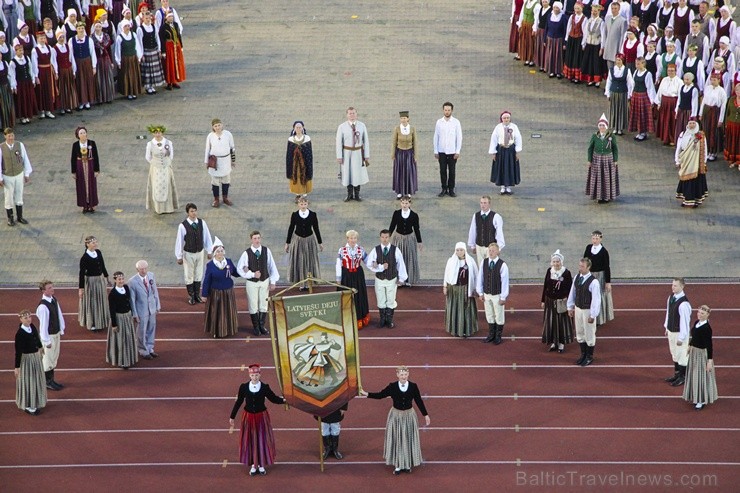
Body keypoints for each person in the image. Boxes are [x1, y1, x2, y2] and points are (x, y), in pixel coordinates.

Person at [360, 366, 430, 475]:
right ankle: (398, 465)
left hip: (409, 416)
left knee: (407, 439)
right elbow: (381, 395)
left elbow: (418, 401)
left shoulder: (413, 386)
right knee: (397, 439)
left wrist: (425, 414)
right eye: (401, 374)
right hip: (395, 416)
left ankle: (406, 464)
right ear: (397, 375)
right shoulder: (392, 386)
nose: (404, 376)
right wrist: (367, 394)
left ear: (408, 374)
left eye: (405, 374)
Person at [229, 364, 285, 476]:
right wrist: (232, 416)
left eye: (256, 375)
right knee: (250, 441)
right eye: (253, 375)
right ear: (249, 375)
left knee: (262, 440)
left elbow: (273, 399)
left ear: (260, 375)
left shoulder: (265, 387)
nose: (254, 377)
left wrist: (285, 400)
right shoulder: (243, 387)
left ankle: (261, 464)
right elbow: (239, 401)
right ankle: (254, 465)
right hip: (248, 417)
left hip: (261, 417)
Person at [237, 230, 279, 336]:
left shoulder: (266, 251)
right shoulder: (246, 253)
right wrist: (251, 274)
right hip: (252, 283)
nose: (257, 240)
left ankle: (261, 326)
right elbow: (240, 268)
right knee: (253, 305)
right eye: (255, 238)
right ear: (251, 239)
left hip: (264, 281)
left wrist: (273, 281)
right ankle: (256, 327)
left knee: (263, 305)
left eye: (258, 238)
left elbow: (272, 266)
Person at [366, 229, 408, 328]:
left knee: (391, 299)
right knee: (380, 299)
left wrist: (402, 279)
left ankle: (389, 320)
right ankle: (382, 319)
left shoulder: (396, 250)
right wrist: (378, 267)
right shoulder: (375, 250)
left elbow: (401, 264)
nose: (384, 239)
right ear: (380, 238)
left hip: (391, 279)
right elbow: (369, 264)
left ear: (389, 238)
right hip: (379, 279)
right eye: (383, 237)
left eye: (386, 237)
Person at [175, 203, 213, 305]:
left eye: (195, 210)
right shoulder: (183, 226)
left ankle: (197, 294)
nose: (194, 213)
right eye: (191, 211)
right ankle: (191, 296)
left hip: (200, 252)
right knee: (189, 274)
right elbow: (180, 241)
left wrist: (209, 251)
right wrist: (179, 256)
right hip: (188, 253)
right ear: (188, 213)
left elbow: (207, 236)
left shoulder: (202, 223)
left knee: (199, 273)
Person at [566, 257, 601, 366]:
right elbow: (572, 292)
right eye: (579, 266)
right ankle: (583, 354)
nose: (580, 268)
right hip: (578, 308)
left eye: (582, 266)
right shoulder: (577, 277)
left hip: (587, 310)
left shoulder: (593, 282)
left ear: (588, 267)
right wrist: (570, 307)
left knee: (589, 333)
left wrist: (593, 314)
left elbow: (596, 299)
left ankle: (589, 356)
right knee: (580, 332)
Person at [202, 238, 240, 338]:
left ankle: (228, 329)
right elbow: (207, 280)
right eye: (218, 251)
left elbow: (235, 272)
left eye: (221, 251)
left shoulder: (228, 262)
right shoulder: (210, 265)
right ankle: (216, 331)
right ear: (214, 254)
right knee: (216, 313)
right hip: (215, 293)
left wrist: (245, 271)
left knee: (227, 312)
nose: (220, 253)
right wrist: (204, 294)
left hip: (228, 292)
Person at [683, 305, 718, 410]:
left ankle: (701, 400)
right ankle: (695, 396)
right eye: (698, 312)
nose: (699, 314)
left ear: (707, 315)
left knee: (700, 376)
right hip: (694, 352)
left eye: (702, 313)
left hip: (701, 354)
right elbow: (694, 336)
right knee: (694, 375)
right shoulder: (696, 323)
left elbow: (709, 345)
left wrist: (709, 361)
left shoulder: (707, 328)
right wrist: (690, 345)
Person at [442, 242, 479, 338]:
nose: (459, 252)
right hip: (454, 290)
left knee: (466, 309)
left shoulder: (470, 261)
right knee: (454, 309)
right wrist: (445, 286)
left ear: (465, 250)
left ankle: (466, 330)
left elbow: (476, 275)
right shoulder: (451, 261)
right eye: (457, 250)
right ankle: (454, 329)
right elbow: (446, 274)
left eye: (461, 250)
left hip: (465, 290)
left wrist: (476, 289)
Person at [284, 196, 322, 288]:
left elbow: (316, 228)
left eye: (305, 204)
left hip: (309, 240)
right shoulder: (295, 215)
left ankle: (309, 282)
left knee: (309, 260)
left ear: (308, 204)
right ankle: (301, 283)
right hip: (298, 240)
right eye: (301, 204)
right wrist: (287, 243)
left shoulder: (313, 215)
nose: (303, 206)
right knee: (300, 260)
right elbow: (291, 228)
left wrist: (320, 242)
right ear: (298, 204)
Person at [14, 309, 47, 416]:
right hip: (27, 360)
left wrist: (41, 347)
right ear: (21, 319)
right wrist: (17, 367)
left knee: (36, 379)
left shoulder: (31, 326)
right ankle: (28, 405)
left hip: (35, 357)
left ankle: (35, 402)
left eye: (29, 317)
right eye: (25, 318)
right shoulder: (20, 334)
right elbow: (18, 351)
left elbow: (36, 337)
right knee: (29, 381)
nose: (28, 319)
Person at [476, 242, 509, 345]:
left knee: (498, 315)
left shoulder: (502, 265)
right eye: (489, 250)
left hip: (497, 294)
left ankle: (498, 336)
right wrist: (480, 292)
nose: (491, 252)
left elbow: (505, 282)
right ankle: (491, 334)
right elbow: (480, 277)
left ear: (498, 251)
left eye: (493, 250)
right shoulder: (484, 262)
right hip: (486, 294)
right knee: (489, 314)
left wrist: (503, 296)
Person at [541, 250, 574, 353]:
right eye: (554, 261)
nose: (556, 263)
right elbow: (545, 286)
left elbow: (570, 289)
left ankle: (561, 344)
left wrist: (569, 302)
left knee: (561, 322)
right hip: (550, 301)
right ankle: (554, 342)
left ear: (561, 262)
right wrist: (543, 300)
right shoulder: (549, 271)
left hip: (561, 302)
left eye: (557, 261)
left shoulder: (566, 273)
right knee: (551, 322)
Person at [336, 229, 370, 329]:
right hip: (346, 275)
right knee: (347, 296)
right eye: (351, 238)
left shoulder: (361, 249)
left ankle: (359, 318)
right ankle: (347, 319)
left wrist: (378, 267)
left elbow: (368, 261)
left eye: (355, 238)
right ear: (347, 239)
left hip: (358, 276)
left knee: (359, 296)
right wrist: (338, 278)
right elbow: (338, 264)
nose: (353, 240)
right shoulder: (341, 250)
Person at [35, 280, 65, 390]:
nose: (52, 289)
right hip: (49, 336)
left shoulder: (53, 300)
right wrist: (46, 341)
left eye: (52, 287)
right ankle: (47, 381)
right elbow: (43, 326)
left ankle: (51, 380)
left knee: (53, 358)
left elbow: (59, 315)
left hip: (55, 333)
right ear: (43, 291)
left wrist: (61, 329)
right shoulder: (43, 306)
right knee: (47, 359)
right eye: (49, 288)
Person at [336, 106, 370, 202]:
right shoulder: (342, 127)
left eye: (354, 113)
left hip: (358, 153)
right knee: (348, 173)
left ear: (356, 114)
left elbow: (366, 141)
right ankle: (349, 194)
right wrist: (339, 156)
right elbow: (339, 142)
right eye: (350, 113)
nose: (352, 115)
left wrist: (366, 155)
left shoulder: (362, 126)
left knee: (357, 173)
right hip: (347, 153)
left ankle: (357, 194)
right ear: (347, 115)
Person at [128, 259, 160, 359]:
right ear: (137, 269)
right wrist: (135, 314)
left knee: (151, 328)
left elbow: (155, 291)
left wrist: (157, 305)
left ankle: (150, 348)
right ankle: (143, 350)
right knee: (141, 331)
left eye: (145, 268)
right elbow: (132, 299)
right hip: (141, 310)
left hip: (152, 308)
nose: (144, 271)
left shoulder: (151, 275)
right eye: (142, 269)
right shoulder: (132, 282)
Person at [78, 235, 110, 332]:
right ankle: (92, 322)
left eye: (96, 242)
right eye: (93, 242)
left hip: (99, 280)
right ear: (87, 244)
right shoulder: (84, 258)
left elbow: (103, 265)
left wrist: (106, 276)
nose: (95, 244)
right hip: (91, 282)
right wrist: (81, 289)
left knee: (101, 300)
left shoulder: (98, 252)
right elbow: (81, 274)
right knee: (93, 302)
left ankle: (101, 320)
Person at [1, 127, 32, 226]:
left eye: (12, 135)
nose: (11, 138)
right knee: (8, 196)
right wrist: (0, 178)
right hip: (8, 175)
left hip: (19, 173)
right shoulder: (1, 148)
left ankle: (20, 216)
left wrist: (26, 173)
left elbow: (25, 158)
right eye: (9, 136)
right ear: (5, 136)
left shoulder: (20, 145)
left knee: (19, 194)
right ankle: (10, 218)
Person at [582, 230, 615, 326]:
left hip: (600, 276)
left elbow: (607, 267)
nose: (595, 240)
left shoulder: (604, 252)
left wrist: (608, 282)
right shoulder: (588, 248)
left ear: (601, 239)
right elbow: (585, 261)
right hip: (590, 275)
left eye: (597, 238)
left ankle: (599, 318)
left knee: (598, 296)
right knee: (589, 295)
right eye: (593, 238)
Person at [388, 196, 422, 286]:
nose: (404, 205)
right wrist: (388, 236)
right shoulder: (396, 213)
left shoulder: (414, 215)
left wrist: (419, 242)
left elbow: (416, 229)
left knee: (409, 257)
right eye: (403, 203)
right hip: (398, 238)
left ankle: (409, 279)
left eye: (406, 203)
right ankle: (399, 279)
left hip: (409, 239)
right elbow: (392, 225)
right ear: (400, 203)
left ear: (410, 204)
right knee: (398, 258)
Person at [107, 271, 138, 369]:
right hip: (119, 318)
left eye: (122, 279)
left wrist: (133, 315)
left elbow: (130, 302)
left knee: (128, 338)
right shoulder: (112, 294)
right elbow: (112, 310)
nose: (121, 281)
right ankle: (122, 361)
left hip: (127, 317)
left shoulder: (126, 288)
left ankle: (129, 358)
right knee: (121, 340)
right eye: (119, 279)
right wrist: (114, 324)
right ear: (115, 280)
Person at [663, 278, 691, 386]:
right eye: (672, 285)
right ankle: (677, 374)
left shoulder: (683, 304)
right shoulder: (671, 298)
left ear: (682, 286)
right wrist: (666, 327)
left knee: (682, 355)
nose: (673, 287)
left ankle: (683, 377)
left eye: (675, 285)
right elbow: (668, 314)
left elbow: (685, 322)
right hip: (671, 331)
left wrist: (681, 338)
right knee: (674, 353)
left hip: (679, 333)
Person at [586, 114, 620, 203]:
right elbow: (590, 148)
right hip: (597, 159)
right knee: (598, 178)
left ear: (606, 126)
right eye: (600, 125)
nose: (601, 127)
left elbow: (615, 148)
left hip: (607, 159)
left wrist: (615, 160)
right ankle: (599, 196)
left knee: (607, 178)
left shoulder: (611, 136)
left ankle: (606, 197)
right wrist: (589, 160)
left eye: (603, 125)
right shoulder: (594, 136)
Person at [674, 118, 708, 207]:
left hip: (696, 163)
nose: (691, 125)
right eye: (690, 123)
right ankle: (686, 200)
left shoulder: (701, 136)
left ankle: (695, 201)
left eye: (693, 123)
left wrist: (704, 162)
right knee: (685, 180)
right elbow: (679, 148)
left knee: (694, 182)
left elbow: (704, 149)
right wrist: (677, 160)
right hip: (686, 161)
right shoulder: (683, 134)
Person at [145, 124, 178, 214]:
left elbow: (171, 155)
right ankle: (158, 208)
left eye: (159, 132)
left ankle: (168, 208)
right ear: (153, 134)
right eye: (155, 133)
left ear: (162, 132)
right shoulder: (150, 144)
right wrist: (155, 163)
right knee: (156, 186)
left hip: (166, 168)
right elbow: (148, 157)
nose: (158, 134)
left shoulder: (168, 142)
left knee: (166, 185)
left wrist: (166, 163)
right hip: (155, 168)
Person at [204, 118, 236, 207]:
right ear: (213, 127)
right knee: (215, 181)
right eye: (215, 126)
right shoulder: (210, 136)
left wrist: (233, 160)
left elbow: (232, 148)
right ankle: (216, 199)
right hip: (215, 161)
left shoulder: (228, 134)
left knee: (226, 180)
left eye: (219, 125)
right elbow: (207, 149)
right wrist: (206, 161)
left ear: (222, 125)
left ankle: (225, 198)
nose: (217, 127)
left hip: (225, 160)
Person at [489, 110, 522, 195]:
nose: (506, 119)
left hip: (510, 150)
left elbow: (518, 138)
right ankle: (503, 186)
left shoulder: (514, 127)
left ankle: (509, 186)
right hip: (501, 150)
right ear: (501, 119)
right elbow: (494, 139)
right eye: (504, 118)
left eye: (507, 118)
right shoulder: (498, 127)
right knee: (501, 168)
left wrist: (517, 151)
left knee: (510, 167)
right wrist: (493, 152)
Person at [433, 101, 462, 197]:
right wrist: (435, 150)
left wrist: (457, 151)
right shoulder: (439, 122)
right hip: (441, 151)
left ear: (452, 110)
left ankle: (451, 189)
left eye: (449, 110)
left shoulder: (456, 122)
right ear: (443, 110)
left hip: (452, 151)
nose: (447, 112)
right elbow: (436, 136)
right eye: (445, 110)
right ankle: (444, 188)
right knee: (442, 171)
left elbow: (459, 137)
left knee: (452, 171)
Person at [467, 195, 506, 266]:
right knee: (480, 266)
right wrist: (472, 245)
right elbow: (473, 230)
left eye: (485, 203)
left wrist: (499, 248)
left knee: (490, 267)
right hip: (479, 246)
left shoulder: (496, 217)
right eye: (481, 203)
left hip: (490, 247)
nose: (483, 205)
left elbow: (499, 233)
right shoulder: (476, 215)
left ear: (489, 204)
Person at [70, 126, 100, 213]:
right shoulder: (75, 145)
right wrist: (73, 172)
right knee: (81, 185)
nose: (83, 134)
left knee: (91, 185)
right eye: (81, 133)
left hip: (90, 165)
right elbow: (73, 158)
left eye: (84, 132)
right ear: (78, 135)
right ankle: (84, 205)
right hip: (80, 167)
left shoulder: (91, 143)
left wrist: (96, 170)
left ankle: (92, 205)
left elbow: (96, 156)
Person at [68, 20, 97, 110]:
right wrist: (73, 67)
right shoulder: (71, 40)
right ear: (76, 29)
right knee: (79, 82)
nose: (81, 30)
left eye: (82, 28)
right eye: (79, 28)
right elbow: (71, 55)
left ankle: (87, 101)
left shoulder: (89, 40)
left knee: (87, 81)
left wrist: (94, 66)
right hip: (77, 63)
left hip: (87, 62)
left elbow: (93, 53)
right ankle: (80, 101)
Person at [699, 73, 727, 161]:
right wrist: (700, 113)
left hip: (715, 112)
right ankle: (706, 151)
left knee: (713, 132)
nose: (713, 81)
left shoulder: (722, 91)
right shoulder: (707, 88)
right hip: (707, 111)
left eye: (715, 80)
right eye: (712, 79)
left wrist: (721, 120)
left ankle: (713, 152)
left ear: (719, 80)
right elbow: (703, 101)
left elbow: (723, 106)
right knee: (706, 130)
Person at [390, 110, 418, 198]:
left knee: (409, 171)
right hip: (400, 153)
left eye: (405, 118)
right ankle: (399, 191)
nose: (403, 120)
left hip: (409, 153)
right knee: (400, 172)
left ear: (408, 119)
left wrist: (416, 155)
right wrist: (393, 154)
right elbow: (394, 142)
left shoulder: (412, 128)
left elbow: (415, 142)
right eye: (401, 118)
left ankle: (408, 191)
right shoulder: (397, 129)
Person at [628, 56, 657, 140]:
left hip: (643, 96)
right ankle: (639, 132)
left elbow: (650, 87)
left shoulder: (648, 74)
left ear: (643, 64)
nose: (636, 65)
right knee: (636, 114)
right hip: (636, 96)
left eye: (638, 64)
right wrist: (631, 94)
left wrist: (651, 100)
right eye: (636, 63)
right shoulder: (636, 72)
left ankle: (643, 133)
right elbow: (633, 84)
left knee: (642, 115)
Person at [136, 10, 164, 94]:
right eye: (146, 18)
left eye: (149, 18)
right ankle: (148, 87)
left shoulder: (153, 27)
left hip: (154, 50)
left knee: (154, 70)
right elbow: (139, 42)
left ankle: (152, 86)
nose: (148, 19)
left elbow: (157, 38)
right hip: (146, 51)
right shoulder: (140, 29)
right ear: (143, 19)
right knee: (147, 70)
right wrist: (141, 54)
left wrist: (159, 50)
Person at [9, 42, 37, 124]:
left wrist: (32, 80)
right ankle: (22, 117)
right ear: (16, 51)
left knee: (28, 98)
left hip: (27, 82)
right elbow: (12, 75)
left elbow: (30, 69)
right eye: (19, 51)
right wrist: (14, 86)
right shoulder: (13, 62)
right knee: (21, 100)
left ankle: (27, 115)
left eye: (22, 50)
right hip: (20, 83)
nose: (21, 52)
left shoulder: (26, 58)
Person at [114, 19, 142, 99]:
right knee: (127, 76)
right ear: (122, 28)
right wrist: (118, 61)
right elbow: (118, 50)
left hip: (133, 58)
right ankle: (128, 92)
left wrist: (139, 57)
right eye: (125, 26)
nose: (127, 27)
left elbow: (137, 46)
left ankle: (134, 91)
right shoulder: (120, 37)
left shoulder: (133, 34)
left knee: (134, 75)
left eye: (128, 26)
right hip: (125, 59)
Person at [31, 30, 56, 119]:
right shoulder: (35, 50)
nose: (42, 39)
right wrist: (36, 76)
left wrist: (55, 72)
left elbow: (53, 61)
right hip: (41, 71)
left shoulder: (49, 48)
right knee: (41, 91)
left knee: (48, 90)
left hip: (48, 71)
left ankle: (48, 110)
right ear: (37, 39)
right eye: (41, 38)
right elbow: (34, 64)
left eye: (44, 38)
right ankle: (42, 111)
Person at [285, 120, 313, 201]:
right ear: (294, 128)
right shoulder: (291, 139)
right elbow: (289, 154)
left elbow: (309, 153)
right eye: (297, 127)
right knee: (296, 176)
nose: (298, 129)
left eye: (300, 127)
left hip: (304, 162)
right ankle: (297, 194)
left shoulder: (307, 139)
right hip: (295, 163)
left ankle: (304, 194)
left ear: (302, 128)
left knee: (304, 176)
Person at [655, 63, 682, 144]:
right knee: (664, 120)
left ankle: (672, 138)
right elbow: (660, 92)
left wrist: (677, 108)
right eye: (669, 71)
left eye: (672, 71)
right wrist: (659, 103)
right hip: (664, 103)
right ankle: (665, 138)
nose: (670, 72)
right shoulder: (664, 80)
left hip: (672, 103)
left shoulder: (679, 82)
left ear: (675, 71)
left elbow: (680, 96)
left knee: (671, 121)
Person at [580, 4, 606, 86]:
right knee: (589, 61)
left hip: (596, 44)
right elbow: (585, 33)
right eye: (593, 11)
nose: (594, 12)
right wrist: (583, 43)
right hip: (589, 43)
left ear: (599, 11)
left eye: (595, 11)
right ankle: (590, 79)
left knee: (596, 62)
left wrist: (602, 47)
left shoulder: (601, 22)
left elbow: (603, 35)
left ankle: (597, 80)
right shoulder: (589, 20)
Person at [158, 10, 185, 90]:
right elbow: (162, 39)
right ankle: (169, 82)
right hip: (169, 47)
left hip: (176, 47)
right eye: (169, 17)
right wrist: (163, 51)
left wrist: (181, 45)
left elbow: (178, 35)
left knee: (176, 64)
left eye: (172, 16)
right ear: (166, 18)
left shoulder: (175, 25)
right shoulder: (163, 27)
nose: (171, 18)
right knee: (170, 65)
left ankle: (174, 81)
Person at [53, 28, 77, 114]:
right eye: (60, 37)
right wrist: (56, 72)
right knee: (62, 89)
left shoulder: (67, 46)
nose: (62, 39)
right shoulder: (54, 49)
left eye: (63, 37)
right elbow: (54, 62)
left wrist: (73, 70)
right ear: (57, 38)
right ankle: (62, 107)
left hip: (68, 69)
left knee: (69, 88)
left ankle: (68, 106)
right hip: (61, 71)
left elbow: (71, 58)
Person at [91, 20, 115, 104]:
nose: (98, 28)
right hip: (98, 60)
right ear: (94, 28)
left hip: (106, 59)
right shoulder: (92, 38)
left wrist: (111, 62)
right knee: (99, 79)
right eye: (96, 27)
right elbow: (92, 52)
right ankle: (100, 98)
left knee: (108, 78)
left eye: (99, 27)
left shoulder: (106, 36)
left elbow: (108, 50)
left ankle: (108, 97)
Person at [605, 54, 630, 135]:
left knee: (621, 110)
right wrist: (608, 93)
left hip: (623, 93)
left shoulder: (627, 70)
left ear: (622, 61)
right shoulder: (612, 70)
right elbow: (609, 81)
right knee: (614, 110)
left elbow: (630, 83)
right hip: (614, 92)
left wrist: (629, 95)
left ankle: (620, 128)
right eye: (617, 60)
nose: (618, 62)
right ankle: (615, 127)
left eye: (619, 60)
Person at [563, 1, 586, 82]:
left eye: (578, 8)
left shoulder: (584, 18)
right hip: (571, 39)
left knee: (577, 58)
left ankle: (577, 77)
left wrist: (583, 43)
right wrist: (566, 39)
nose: (576, 10)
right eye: (575, 8)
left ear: (582, 9)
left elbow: (585, 32)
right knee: (570, 56)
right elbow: (568, 28)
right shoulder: (572, 17)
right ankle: (569, 74)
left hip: (578, 40)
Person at [544, 1, 568, 78]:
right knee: (551, 55)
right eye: (554, 7)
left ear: (560, 8)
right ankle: (551, 71)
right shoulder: (549, 15)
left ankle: (559, 71)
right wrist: (545, 39)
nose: (555, 9)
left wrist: (565, 43)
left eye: (557, 8)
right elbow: (546, 28)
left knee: (558, 56)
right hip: (550, 38)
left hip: (559, 39)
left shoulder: (563, 17)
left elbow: (565, 30)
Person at [604, 2, 628, 71]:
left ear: (619, 9)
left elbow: (622, 36)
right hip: (608, 46)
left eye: (615, 8)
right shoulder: (608, 18)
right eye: (612, 8)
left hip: (616, 46)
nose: (614, 10)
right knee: (609, 68)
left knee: (617, 67)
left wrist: (620, 49)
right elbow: (605, 33)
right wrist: (604, 45)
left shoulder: (623, 21)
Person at [517, 0, 539, 67]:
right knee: (525, 42)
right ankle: (527, 58)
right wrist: (520, 24)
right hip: (524, 25)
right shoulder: (526, 3)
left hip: (530, 26)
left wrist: (534, 28)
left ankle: (531, 59)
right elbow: (521, 14)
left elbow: (536, 18)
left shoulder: (537, 5)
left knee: (531, 43)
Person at [724, 82, 740, 168]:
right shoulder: (731, 99)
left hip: (739, 125)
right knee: (732, 142)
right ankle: (733, 159)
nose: (739, 92)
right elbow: (728, 112)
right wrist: (726, 124)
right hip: (731, 124)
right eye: (737, 90)